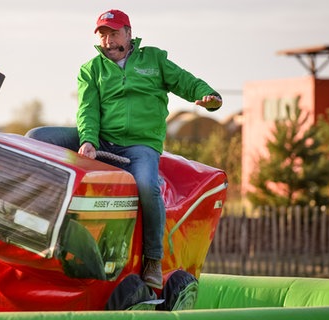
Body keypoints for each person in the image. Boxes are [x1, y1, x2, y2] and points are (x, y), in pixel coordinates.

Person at [26, 9, 222, 289]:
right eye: (103, 34)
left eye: (114, 33)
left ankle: (153, 259)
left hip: (139, 145)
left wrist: (208, 96)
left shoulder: (154, 60)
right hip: (102, 139)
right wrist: (89, 141)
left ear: (129, 34)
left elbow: (185, 81)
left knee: (146, 185)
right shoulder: (91, 69)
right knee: (37, 136)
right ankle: (36, 220)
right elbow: (88, 110)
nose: (108, 40)